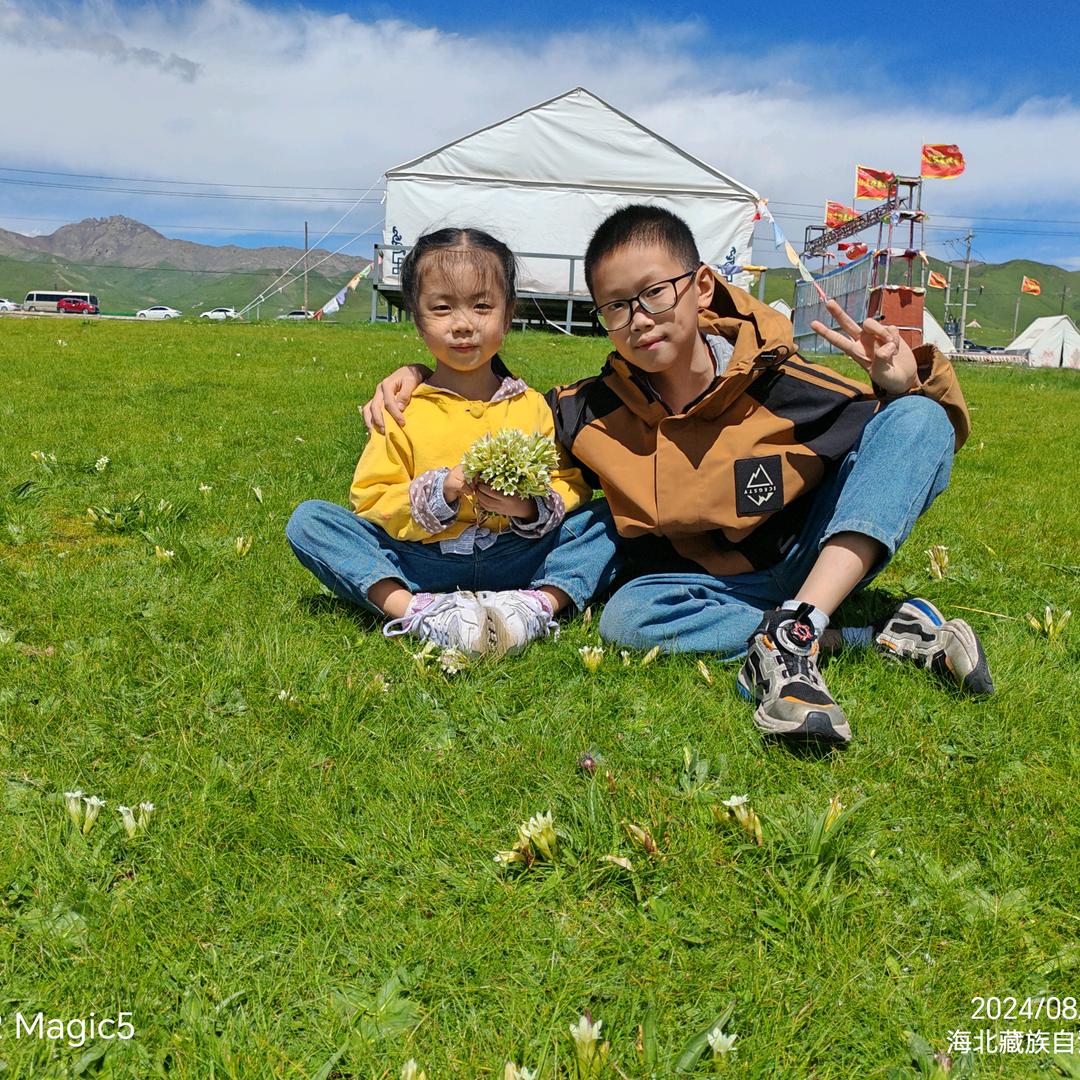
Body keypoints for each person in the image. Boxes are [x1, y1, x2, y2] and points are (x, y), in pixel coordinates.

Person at [363, 206, 993, 744]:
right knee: (626, 620)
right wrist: (419, 375)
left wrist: (902, 386)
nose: (639, 318)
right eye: (616, 307)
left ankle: (798, 626)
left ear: (702, 287)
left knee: (919, 418)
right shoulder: (587, 411)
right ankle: (863, 633)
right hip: (706, 586)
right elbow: (498, 405)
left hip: (810, 556)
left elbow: (910, 446)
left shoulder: (784, 382)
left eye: (655, 293)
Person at [287, 227, 622, 658]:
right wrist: (441, 490)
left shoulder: (531, 406)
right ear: (417, 318)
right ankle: (419, 611)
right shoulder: (402, 407)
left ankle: (535, 605)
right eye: (442, 308)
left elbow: (568, 482)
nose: (463, 324)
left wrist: (527, 507)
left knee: (613, 516)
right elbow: (370, 499)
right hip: (424, 560)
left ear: (507, 314)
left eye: (482, 306)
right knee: (310, 521)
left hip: (517, 555)